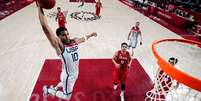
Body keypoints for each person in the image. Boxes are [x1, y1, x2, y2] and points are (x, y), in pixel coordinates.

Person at [37, 3, 97, 100]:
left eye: (67, 34)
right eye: (64, 35)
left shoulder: (74, 41)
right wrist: (40, 7)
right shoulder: (60, 46)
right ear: (59, 37)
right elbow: (45, 27)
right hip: (68, 75)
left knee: (64, 83)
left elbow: (83, 38)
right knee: (67, 97)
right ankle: (48, 90)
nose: (67, 36)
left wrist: (91, 34)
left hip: (74, 73)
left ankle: (55, 87)